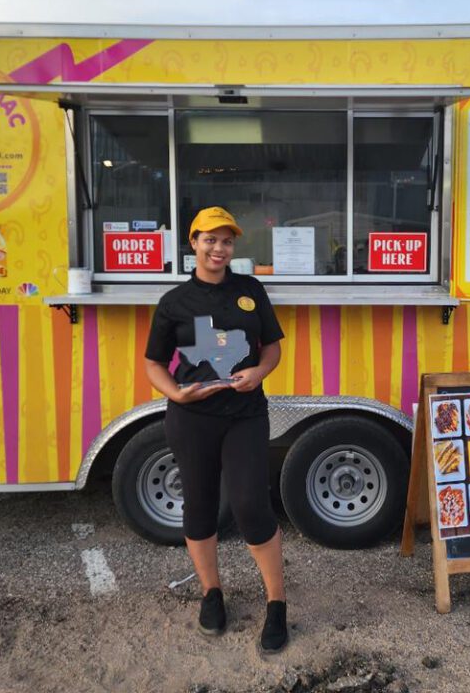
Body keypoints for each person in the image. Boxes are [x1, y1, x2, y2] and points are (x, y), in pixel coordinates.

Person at [143, 206, 289, 653]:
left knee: (250, 506)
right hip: (191, 418)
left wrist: (260, 374)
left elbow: (272, 349)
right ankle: (212, 593)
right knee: (200, 508)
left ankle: (277, 605)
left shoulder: (250, 290)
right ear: (194, 242)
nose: (218, 248)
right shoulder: (174, 303)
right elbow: (152, 363)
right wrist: (176, 393)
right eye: (210, 239)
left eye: (226, 241)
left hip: (244, 414)